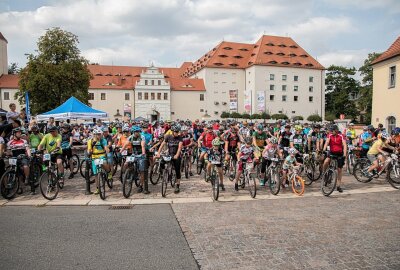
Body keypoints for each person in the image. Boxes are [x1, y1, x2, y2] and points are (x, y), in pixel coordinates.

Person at [156, 125, 183, 194]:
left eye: (178, 132)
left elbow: (180, 147)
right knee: (162, 162)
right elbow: (162, 145)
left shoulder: (180, 138)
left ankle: (177, 185)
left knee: (177, 170)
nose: (177, 133)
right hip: (169, 154)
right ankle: (163, 174)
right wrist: (158, 153)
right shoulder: (168, 137)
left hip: (176, 155)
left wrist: (177, 155)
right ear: (173, 132)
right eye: (176, 132)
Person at [322, 125, 347, 193]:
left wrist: (344, 155)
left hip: (339, 153)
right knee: (326, 161)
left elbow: (344, 145)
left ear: (336, 130)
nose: (330, 132)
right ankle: (324, 173)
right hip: (332, 152)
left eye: (332, 131)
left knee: (339, 170)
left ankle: (338, 186)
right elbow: (327, 142)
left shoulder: (341, 135)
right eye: (330, 131)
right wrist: (324, 149)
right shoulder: (330, 135)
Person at [87, 128, 112, 195]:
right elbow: (89, 150)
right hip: (94, 157)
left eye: (100, 134)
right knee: (95, 174)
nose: (99, 136)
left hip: (102, 155)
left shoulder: (103, 140)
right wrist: (89, 152)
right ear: (94, 135)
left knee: (104, 163)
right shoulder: (90, 141)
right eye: (98, 134)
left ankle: (109, 172)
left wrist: (107, 150)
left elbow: (105, 147)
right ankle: (98, 189)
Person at [7, 128, 32, 194]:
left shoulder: (23, 141)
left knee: (25, 166)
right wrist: (7, 154)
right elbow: (9, 151)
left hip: (22, 156)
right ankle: (19, 187)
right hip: (14, 158)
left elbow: (27, 149)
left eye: (20, 132)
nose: (20, 134)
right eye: (18, 133)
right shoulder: (10, 142)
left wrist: (29, 156)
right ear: (14, 134)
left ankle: (27, 178)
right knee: (16, 173)